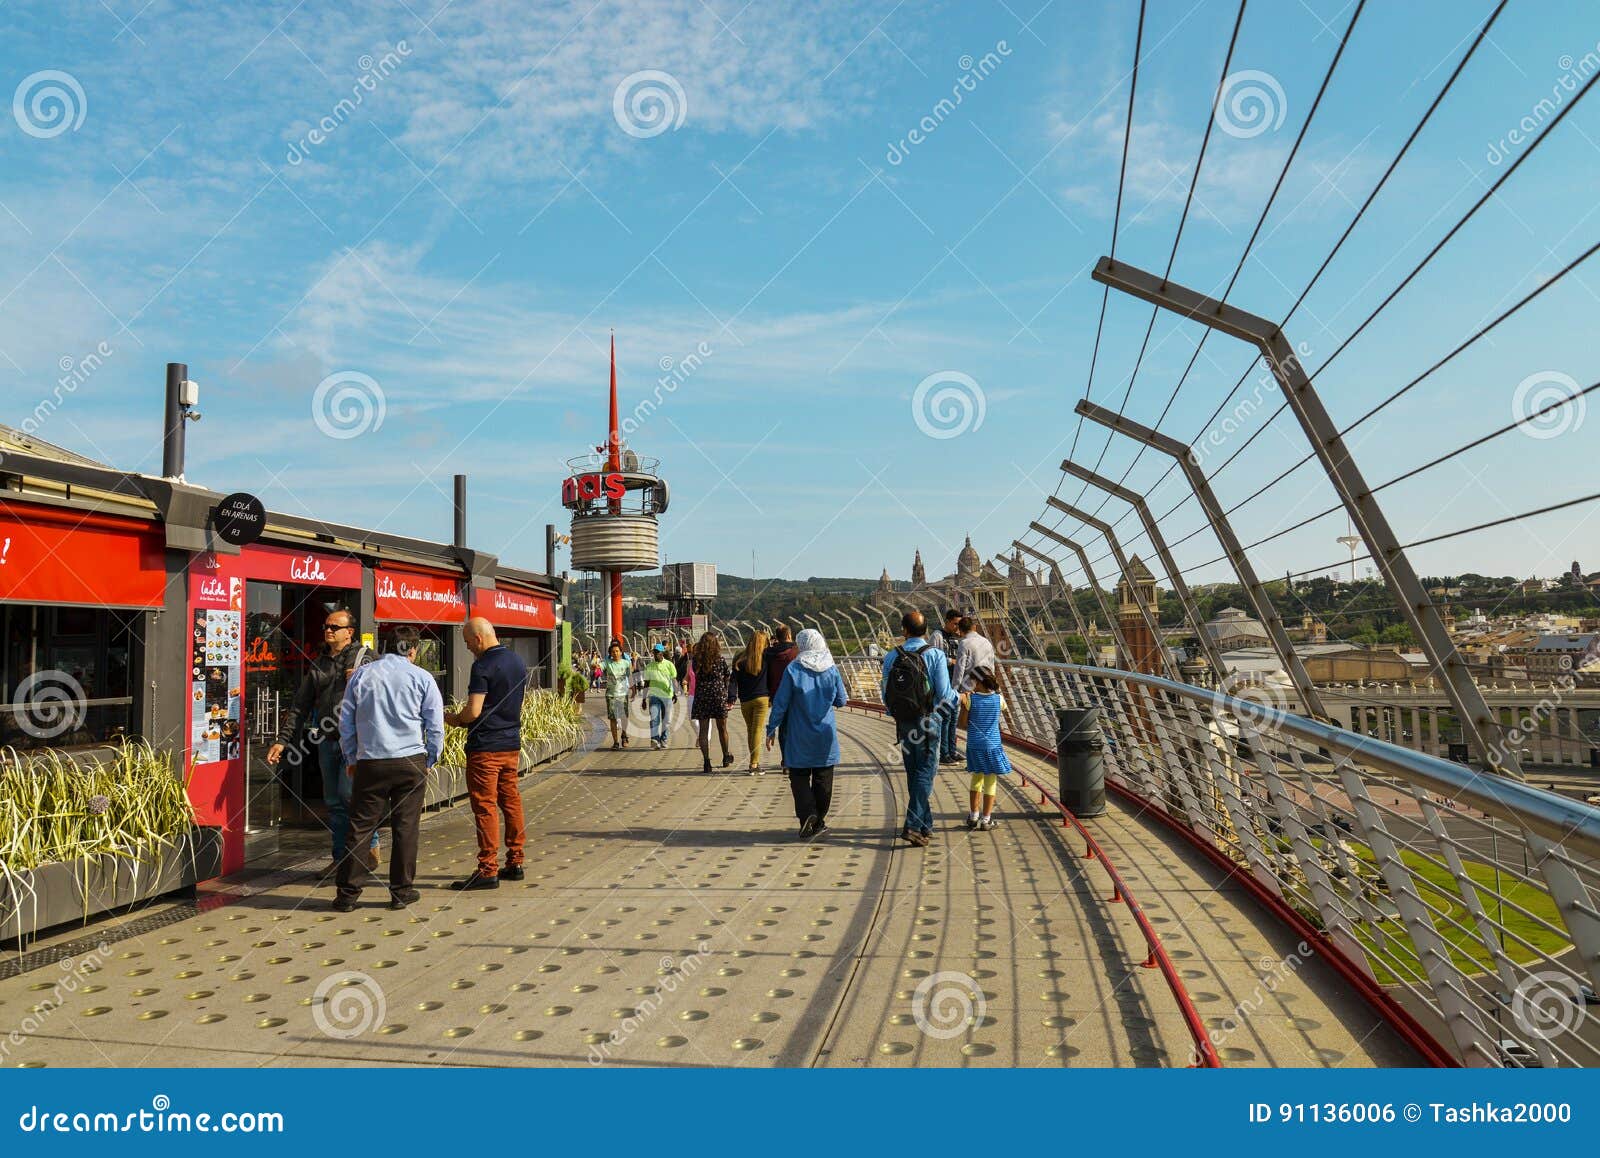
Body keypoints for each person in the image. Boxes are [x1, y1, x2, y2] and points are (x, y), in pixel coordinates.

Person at [334, 626, 444, 911]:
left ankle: (347, 895)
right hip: (410, 761)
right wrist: (430, 759)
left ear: (384, 647)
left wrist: (351, 759)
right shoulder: (422, 678)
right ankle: (401, 892)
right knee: (406, 828)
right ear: (412, 650)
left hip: (371, 762)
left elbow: (346, 722)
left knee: (360, 827)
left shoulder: (361, 675)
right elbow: (435, 725)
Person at [267, 607, 378, 877]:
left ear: (349, 632)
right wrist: (282, 741)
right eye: (326, 626)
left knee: (349, 796)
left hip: (357, 742)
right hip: (328, 741)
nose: (328, 630)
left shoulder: (368, 659)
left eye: (334, 627)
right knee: (334, 801)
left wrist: (365, 679)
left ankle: (367, 850)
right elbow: (300, 705)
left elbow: (385, 695)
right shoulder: (319, 663)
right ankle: (341, 859)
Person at [444, 617, 528, 891]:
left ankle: (487, 869)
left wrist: (453, 719)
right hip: (511, 743)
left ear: (479, 638)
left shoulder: (482, 666)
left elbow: (473, 711)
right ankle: (515, 862)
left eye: (468, 642)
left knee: (485, 807)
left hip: (485, 746)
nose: (468, 648)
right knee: (511, 801)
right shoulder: (517, 662)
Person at [881, 610, 952, 848]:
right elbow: (944, 693)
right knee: (926, 772)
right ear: (927, 630)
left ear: (904, 630)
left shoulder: (892, 656)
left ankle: (925, 825)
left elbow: (885, 692)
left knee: (914, 772)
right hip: (929, 720)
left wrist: (895, 714)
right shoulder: (935, 655)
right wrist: (960, 698)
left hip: (904, 722)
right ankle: (912, 825)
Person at [767, 629, 847, 839]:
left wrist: (771, 728)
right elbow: (842, 700)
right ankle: (819, 820)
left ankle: (807, 815)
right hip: (825, 736)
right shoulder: (832, 669)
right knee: (823, 779)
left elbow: (781, 703)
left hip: (798, 735)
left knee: (799, 777)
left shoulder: (793, 669)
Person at [960, 665, 1011, 830]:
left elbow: (962, 724)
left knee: (976, 779)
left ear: (977, 682)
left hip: (974, 745)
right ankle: (986, 819)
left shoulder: (971, 700)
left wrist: (964, 705)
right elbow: (1002, 710)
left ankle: (973, 816)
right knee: (990, 782)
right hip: (993, 745)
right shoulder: (999, 699)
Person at [688, 632, 733, 772]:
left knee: (703, 730)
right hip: (718, 695)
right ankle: (725, 755)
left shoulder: (696, 660)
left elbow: (695, 673)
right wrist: (724, 688)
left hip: (702, 696)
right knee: (722, 728)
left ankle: (707, 762)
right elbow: (727, 674)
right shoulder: (720, 659)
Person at [730, 629, 771, 775]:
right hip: (762, 698)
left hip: (745, 699)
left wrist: (731, 697)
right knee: (757, 730)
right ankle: (754, 764)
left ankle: (753, 762)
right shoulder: (766, 657)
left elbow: (733, 680)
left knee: (750, 730)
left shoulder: (740, 658)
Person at [931, 608, 963, 766]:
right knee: (946, 718)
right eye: (955, 624)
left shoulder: (958, 637)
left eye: (959, 624)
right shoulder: (937, 636)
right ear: (947, 621)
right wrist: (951, 661)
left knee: (953, 719)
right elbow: (932, 658)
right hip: (944, 684)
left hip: (956, 684)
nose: (957, 627)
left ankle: (952, 750)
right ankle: (944, 754)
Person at [639, 643, 679, 749]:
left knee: (666, 720)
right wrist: (643, 699)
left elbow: (674, 679)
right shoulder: (649, 666)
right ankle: (655, 740)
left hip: (667, 696)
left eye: (658, 652)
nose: (656, 654)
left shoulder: (669, 665)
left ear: (662, 653)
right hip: (654, 696)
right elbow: (646, 684)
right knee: (654, 719)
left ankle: (664, 739)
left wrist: (675, 693)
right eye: (654, 652)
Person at [952, 616, 998, 696]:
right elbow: (991, 668)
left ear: (960, 630)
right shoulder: (986, 642)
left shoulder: (964, 644)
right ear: (974, 627)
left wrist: (954, 691)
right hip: (986, 688)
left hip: (969, 690)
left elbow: (959, 671)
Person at [601, 640, 633, 750]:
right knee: (613, 719)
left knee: (624, 717)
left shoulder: (626, 663)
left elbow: (630, 677)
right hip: (611, 695)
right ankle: (615, 742)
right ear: (610, 653)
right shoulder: (607, 663)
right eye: (613, 652)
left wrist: (634, 689)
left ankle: (624, 734)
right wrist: (595, 666)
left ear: (621, 652)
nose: (615, 653)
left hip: (623, 694)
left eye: (617, 651)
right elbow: (600, 666)